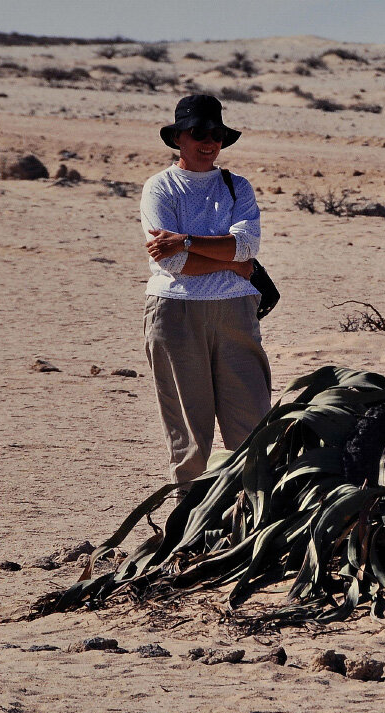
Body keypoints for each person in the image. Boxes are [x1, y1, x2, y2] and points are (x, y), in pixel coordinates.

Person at [140, 94, 272, 497]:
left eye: (216, 133)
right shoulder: (160, 188)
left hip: (235, 313)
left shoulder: (238, 187)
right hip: (175, 313)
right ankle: (189, 526)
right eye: (199, 133)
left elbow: (247, 246)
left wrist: (187, 240)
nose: (208, 141)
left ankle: (250, 520)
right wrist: (229, 260)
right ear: (179, 137)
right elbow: (174, 264)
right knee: (189, 436)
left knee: (251, 426)